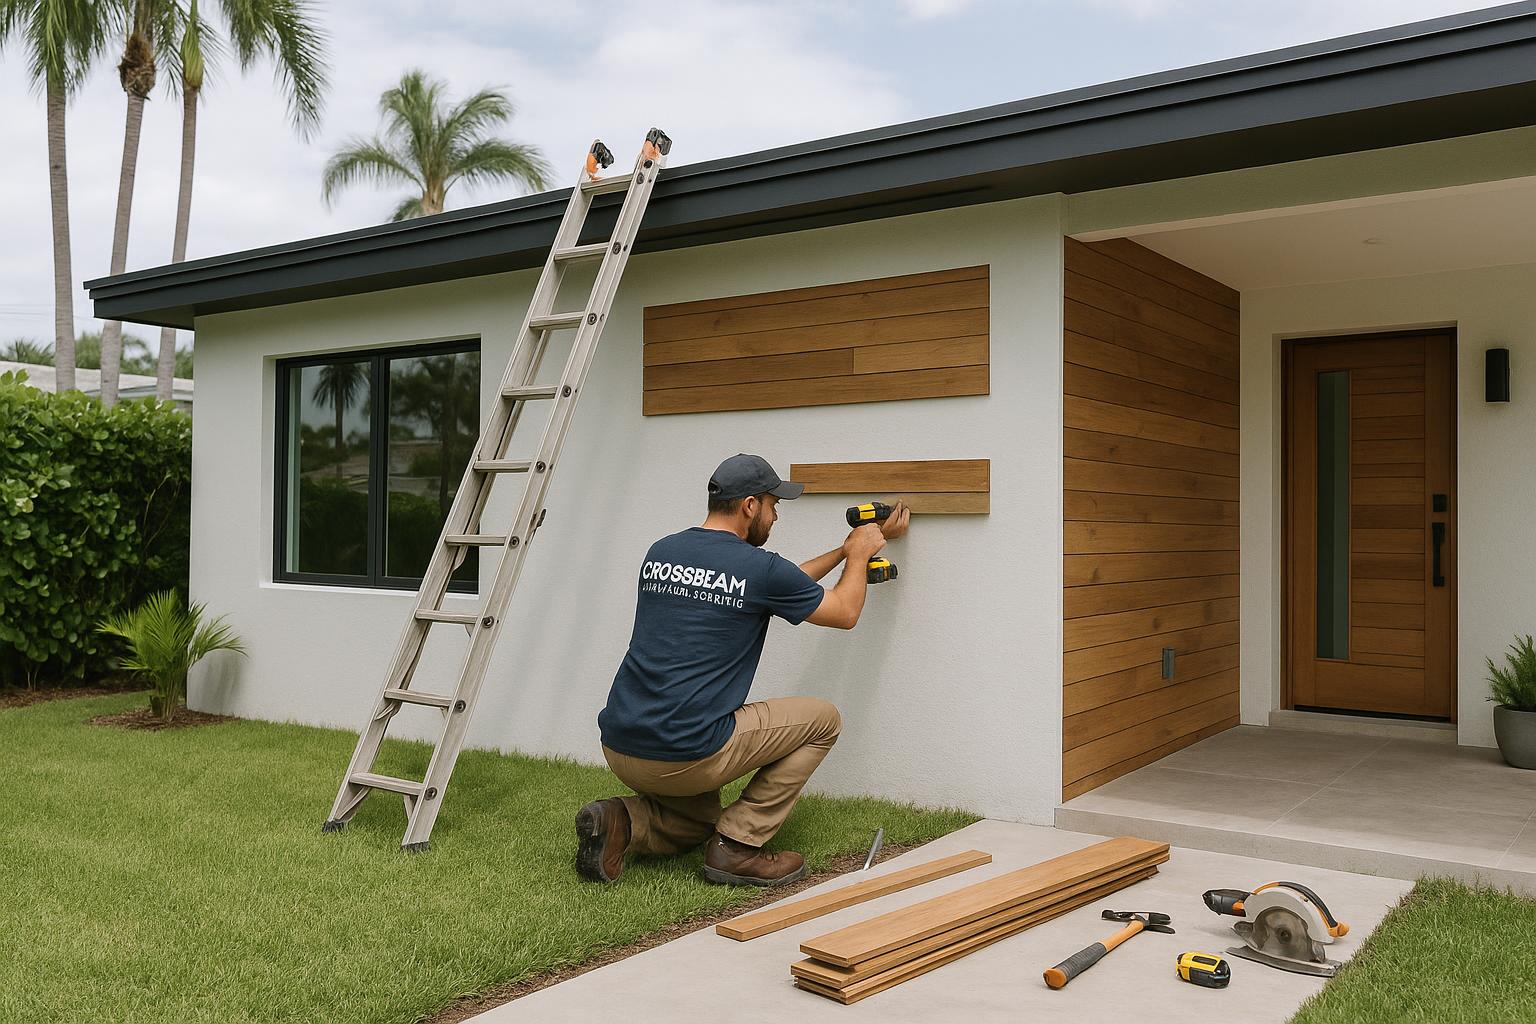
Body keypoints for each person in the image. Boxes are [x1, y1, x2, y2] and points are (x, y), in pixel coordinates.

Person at [575, 453, 909, 887]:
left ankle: (620, 820)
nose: (775, 517)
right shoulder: (757, 569)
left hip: (622, 745)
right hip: (687, 753)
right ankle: (738, 848)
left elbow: (776, 585)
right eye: (774, 506)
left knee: (697, 822)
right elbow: (844, 612)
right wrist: (861, 556)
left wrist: (845, 551)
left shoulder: (663, 551)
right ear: (750, 505)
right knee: (823, 719)